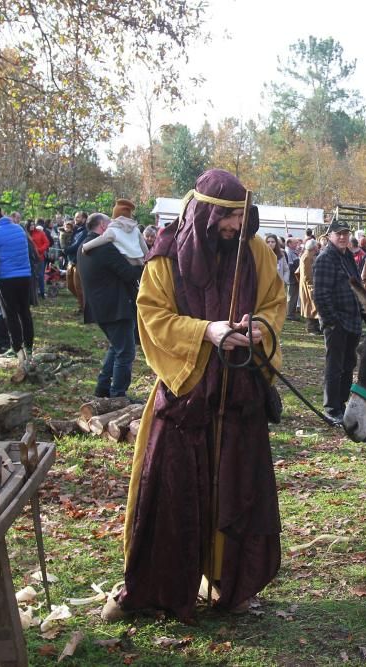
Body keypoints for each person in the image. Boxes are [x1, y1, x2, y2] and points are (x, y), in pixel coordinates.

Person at [103, 169, 285, 623]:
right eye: (229, 218)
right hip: (186, 401)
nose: (237, 227)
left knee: (239, 496)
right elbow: (153, 318)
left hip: (240, 401)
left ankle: (232, 586)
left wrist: (259, 328)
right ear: (207, 213)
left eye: (242, 218)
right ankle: (158, 590)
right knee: (169, 500)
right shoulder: (165, 258)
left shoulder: (256, 252)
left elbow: (274, 304)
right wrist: (207, 331)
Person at [77, 213, 144, 398]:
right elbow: (129, 273)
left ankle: (102, 388)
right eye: (111, 224)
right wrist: (144, 264)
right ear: (103, 227)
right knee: (126, 352)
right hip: (115, 307)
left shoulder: (85, 246)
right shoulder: (104, 248)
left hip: (101, 307)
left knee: (116, 347)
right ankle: (118, 395)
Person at [313, 219, 362, 425]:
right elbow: (321, 294)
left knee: (348, 365)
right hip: (337, 323)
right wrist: (332, 321)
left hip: (353, 321)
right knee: (334, 366)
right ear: (329, 236)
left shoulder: (348, 257)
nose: (342, 237)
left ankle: (341, 404)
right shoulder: (326, 258)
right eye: (338, 234)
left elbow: (357, 288)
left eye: (345, 233)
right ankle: (332, 408)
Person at [0, 206, 35, 381]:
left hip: (6, 278)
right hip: (25, 275)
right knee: (25, 311)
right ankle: (29, 346)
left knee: (10, 313)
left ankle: (16, 347)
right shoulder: (18, 228)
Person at [81, 199, 149, 265]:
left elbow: (100, 240)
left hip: (126, 262)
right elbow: (144, 248)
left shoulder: (113, 230)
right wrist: (148, 258)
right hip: (140, 261)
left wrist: (85, 247)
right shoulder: (136, 230)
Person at [297, 238, 320, 334]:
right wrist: (311, 286)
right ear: (314, 247)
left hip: (309, 284)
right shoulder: (307, 257)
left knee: (312, 307)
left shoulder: (308, 255)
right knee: (310, 307)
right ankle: (311, 328)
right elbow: (307, 274)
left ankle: (315, 327)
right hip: (308, 286)